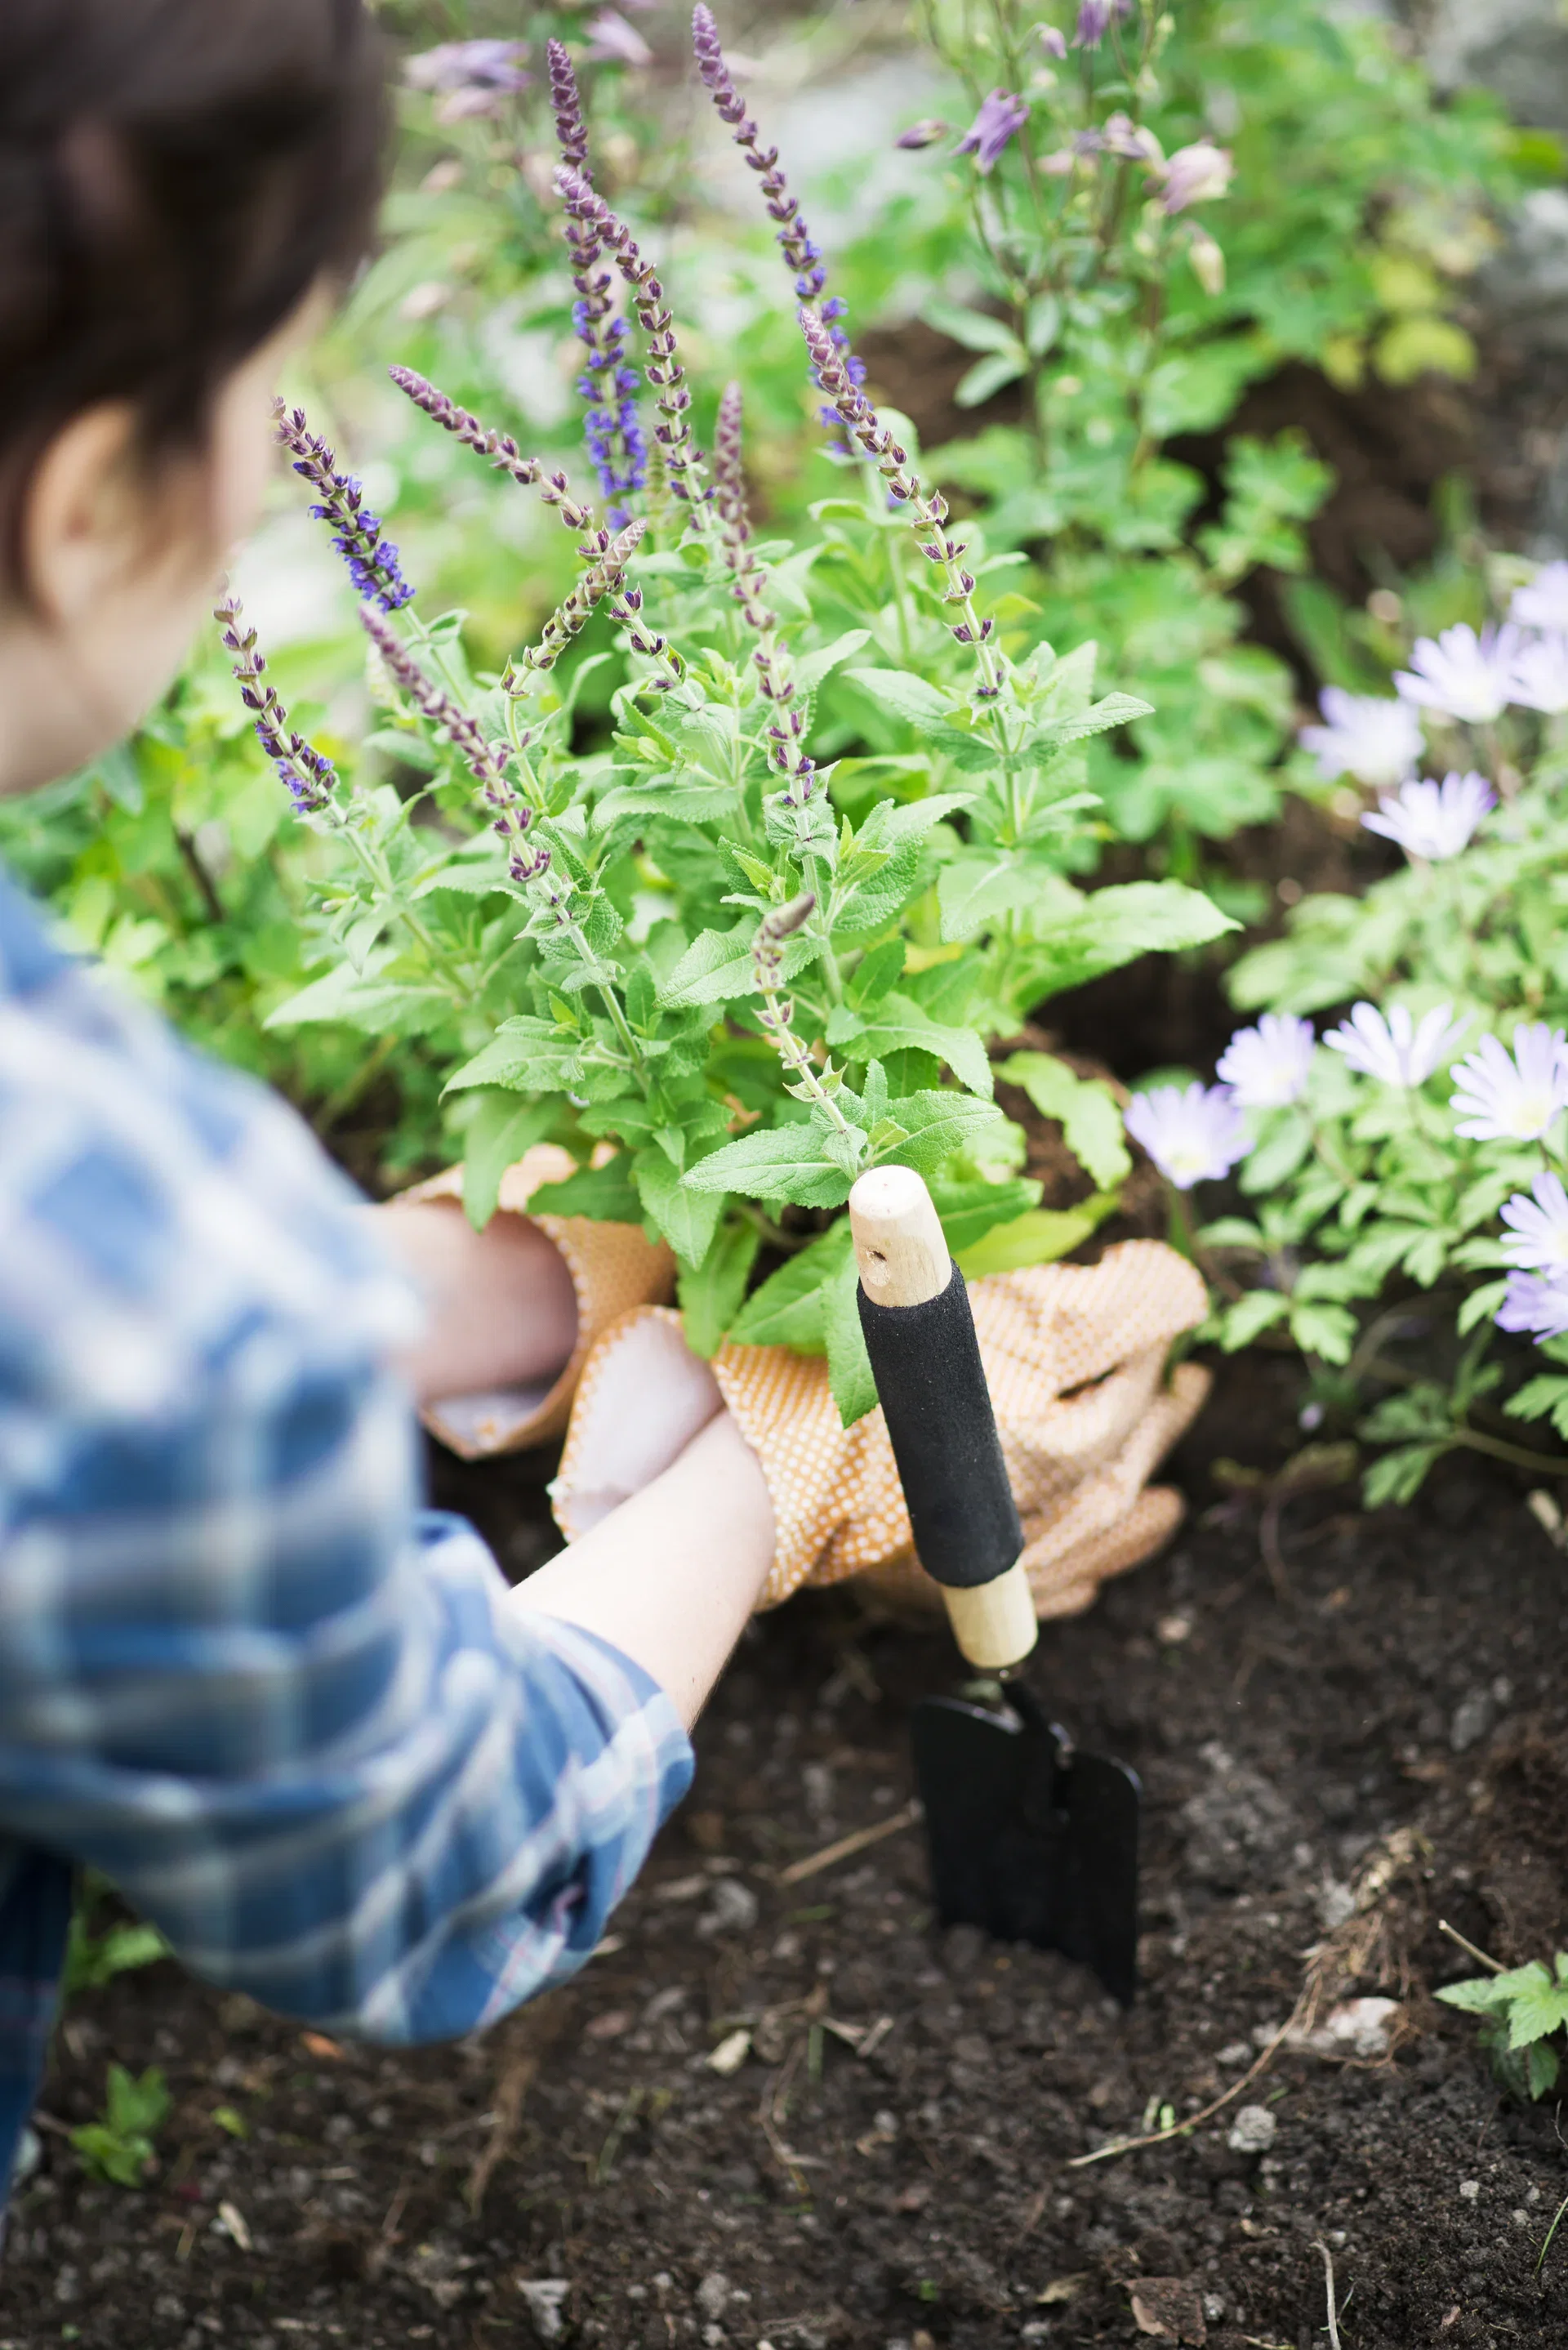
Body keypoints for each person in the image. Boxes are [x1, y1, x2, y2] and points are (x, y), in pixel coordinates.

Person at [0, 0, 776, 2207]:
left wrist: (374, 1287)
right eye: (264, 392)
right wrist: (780, 1467)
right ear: (88, 504)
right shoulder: (129, 1309)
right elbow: (438, 1872)